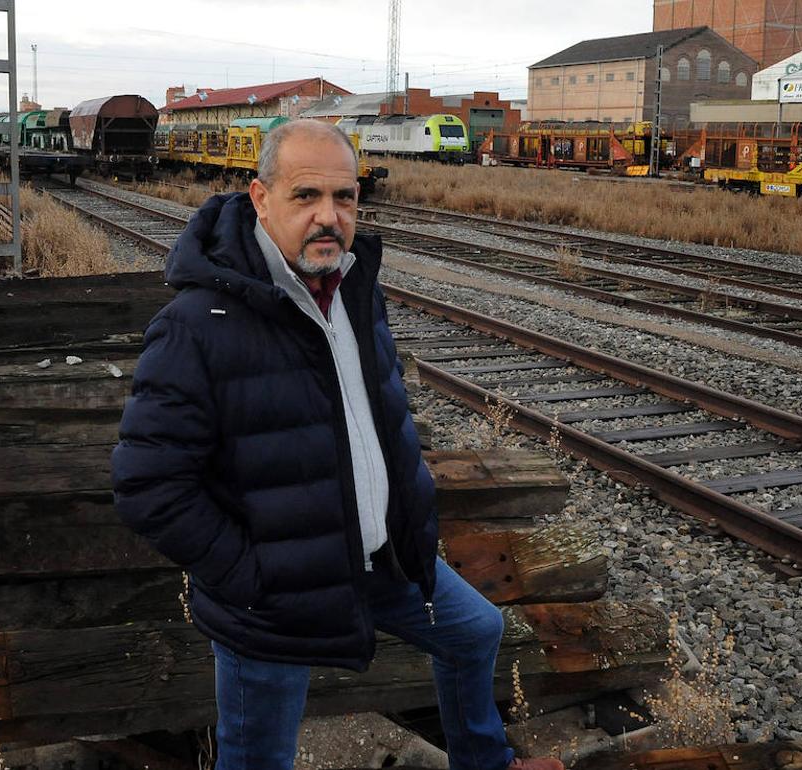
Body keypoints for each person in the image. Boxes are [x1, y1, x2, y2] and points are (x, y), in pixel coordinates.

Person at [112, 120, 563, 770]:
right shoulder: (195, 327)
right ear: (260, 198)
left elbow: (375, 415)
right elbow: (147, 487)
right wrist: (253, 576)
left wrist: (404, 515)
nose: (330, 216)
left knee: (476, 632)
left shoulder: (355, 290)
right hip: (276, 591)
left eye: (345, 197)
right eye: (306, 196)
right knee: (260, 755)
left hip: (381, 559)